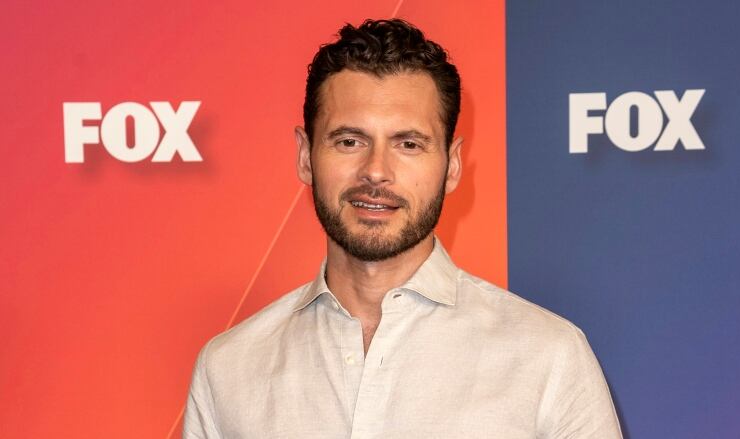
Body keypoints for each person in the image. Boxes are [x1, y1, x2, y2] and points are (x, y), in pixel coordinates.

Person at [183, 19, 623, 438]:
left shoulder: (549, 357)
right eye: (349, 141)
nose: (376, 171)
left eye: (408, 144)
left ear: (451, 166)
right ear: (305, 155)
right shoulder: (228, 369)